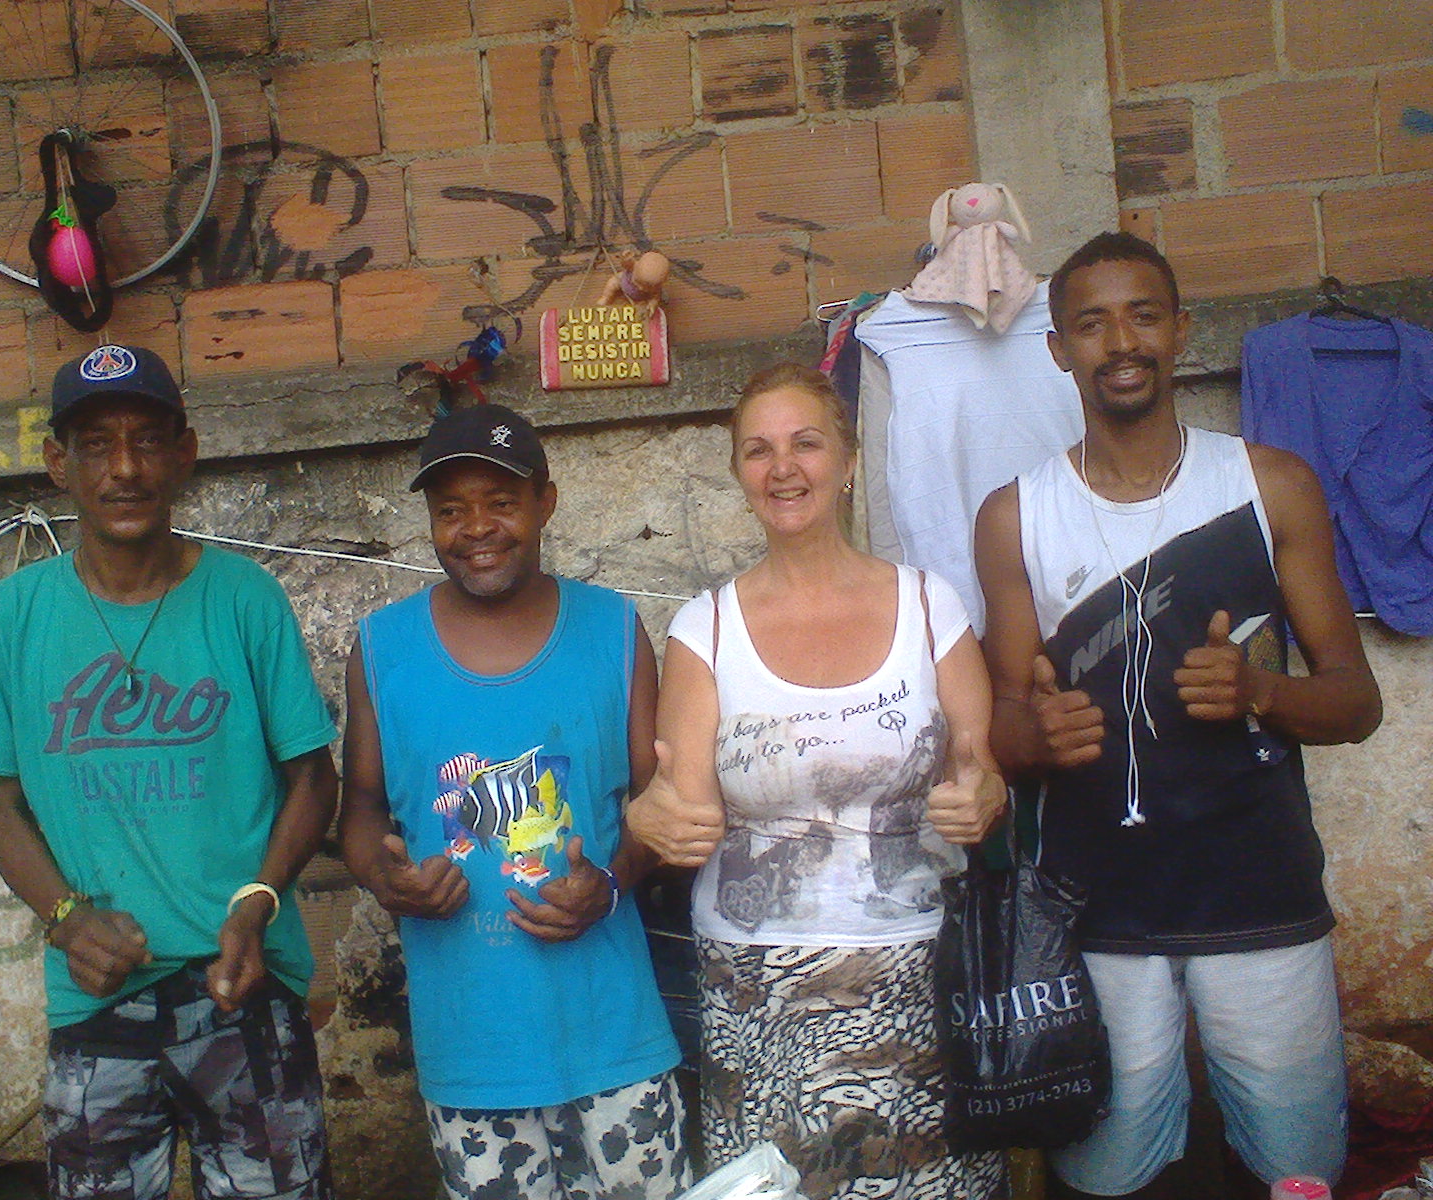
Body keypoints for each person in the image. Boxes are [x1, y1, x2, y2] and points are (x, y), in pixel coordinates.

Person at [973, 232, 1383, 1200]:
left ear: (1181, 331)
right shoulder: (1014, 517)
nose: (1121, 341)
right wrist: (1031, 736)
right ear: (1057, 350)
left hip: (1261, 901)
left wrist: (1261, 693)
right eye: (1091, 321)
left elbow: (1356, 699)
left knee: (1295, 1170)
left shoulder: (1268, 483)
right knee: (1109, 1174)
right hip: (1096, 913)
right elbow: (1000, 727)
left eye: (1143, 314)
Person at [0, 344, 340, 1200]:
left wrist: (258, 900)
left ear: (184, 453)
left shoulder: (245, 599)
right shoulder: (12, 618)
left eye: (148, 441)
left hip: (245, 989)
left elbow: (313, 777)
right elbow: (0, 808)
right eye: (96, 444)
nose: (124, 468)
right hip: (96, 998)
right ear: (58, 464)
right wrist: (66, 917)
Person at [627, 362, 1008, 1199]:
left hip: (914, 969)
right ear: (738, 475)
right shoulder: (707, 627)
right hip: (757, 985)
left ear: (849, 459)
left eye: (806, 443)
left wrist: (985, 794)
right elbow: (682, 802)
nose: (784, 468)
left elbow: (979, 771)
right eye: (758, 451)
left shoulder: (929, 606)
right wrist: (654, 817)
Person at [339, 404, 689, 1200]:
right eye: (451, 509)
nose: (477, 528)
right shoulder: (382, 649)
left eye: (501, 502)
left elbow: (658, 803)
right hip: (471, 1052)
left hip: (613, 1037)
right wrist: (383, 878)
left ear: (545, 503)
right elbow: (358, 808)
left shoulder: (614, 630)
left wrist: (610, 881)